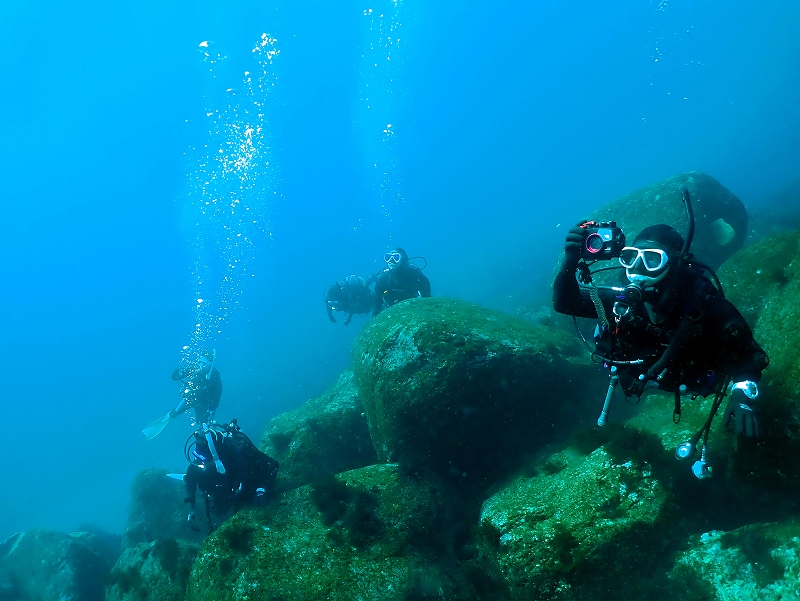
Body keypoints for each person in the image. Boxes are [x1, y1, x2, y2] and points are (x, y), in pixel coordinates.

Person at [552, 203, 768, 478]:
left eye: (653, 260)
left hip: (690, 379)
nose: (639, 269)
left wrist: (742, 396)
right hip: (637, 376)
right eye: (631, 258)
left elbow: (749, 358)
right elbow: (564, 302)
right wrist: (570, 260)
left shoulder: (706, 306)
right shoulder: (619, 300)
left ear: (675, 262)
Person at [183, 419, 279, 533]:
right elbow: (189, 482)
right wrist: (190, 509)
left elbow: (271, 466)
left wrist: (262, 489)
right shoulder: (198, 463)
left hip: (247, 485)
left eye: (204, 458)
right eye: (197, 456)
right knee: (219, 513)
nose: (200, 462)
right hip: (224, 490)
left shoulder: (240, 450)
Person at [372, 247, 431, 316]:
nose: (391, 261)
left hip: (414, 309)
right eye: (388, 257)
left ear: (403, 259)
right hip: (392, 310)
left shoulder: (414, 274)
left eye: (396, 257)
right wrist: (375, 315)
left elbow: (426, 293)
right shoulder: (384, 278)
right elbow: (377, 298)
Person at [170, 349, 222, 427]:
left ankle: (210, 427)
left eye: (203, 363)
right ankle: (173, 413)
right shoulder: (196, 368)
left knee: (203, 424)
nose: (200, 365)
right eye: (199, 362)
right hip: (192, 398)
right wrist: (178, 374)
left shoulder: (214, 379)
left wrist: (208, 413)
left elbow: (215, 400)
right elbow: (186, 371)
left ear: (210, 364)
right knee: (177, 410)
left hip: (205, 404)